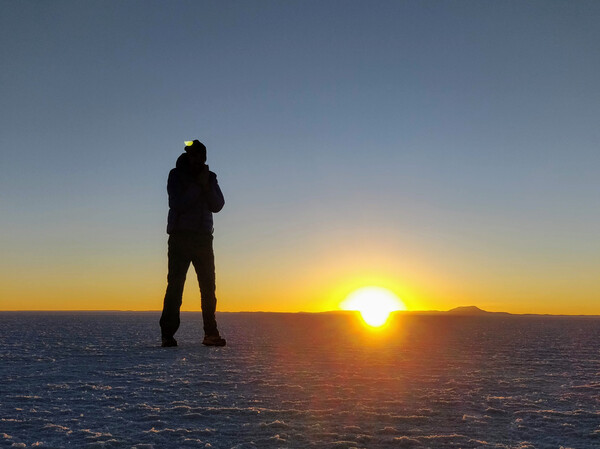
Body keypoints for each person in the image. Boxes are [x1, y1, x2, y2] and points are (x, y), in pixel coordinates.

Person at [160, 140, 226, 347]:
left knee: (208, 288)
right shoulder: (176, 175)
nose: (195, 159)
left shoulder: (210, 177)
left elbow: (218, 205)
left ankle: (211, 333)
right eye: (192, 155)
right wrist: (198, 185)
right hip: (180, 238)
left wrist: (206, 185)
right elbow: (178, 203)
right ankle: (168, 335)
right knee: (175, 287)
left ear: (204, 157)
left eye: (199, 155)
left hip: (204, 239)